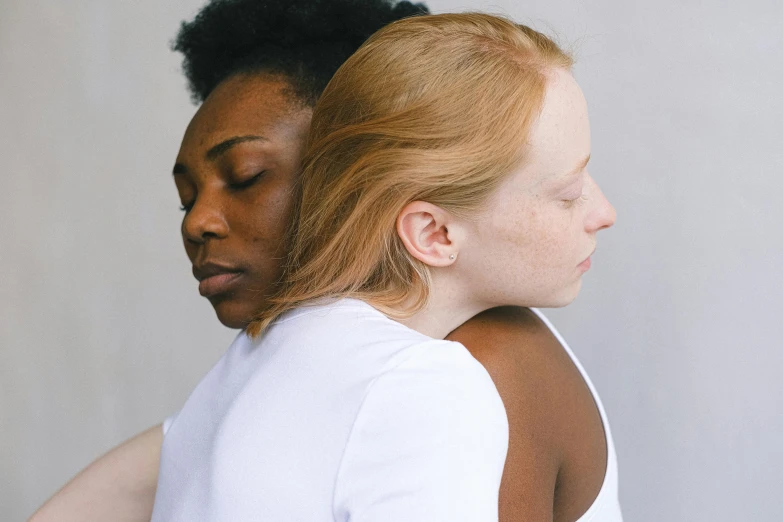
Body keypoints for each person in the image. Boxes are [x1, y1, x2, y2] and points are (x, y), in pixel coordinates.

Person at [30, 2, 619, 522]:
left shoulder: (461, 358)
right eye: (186, 197)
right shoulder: (410, 378)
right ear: (430, 230)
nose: (197, 222)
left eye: (247, 177)